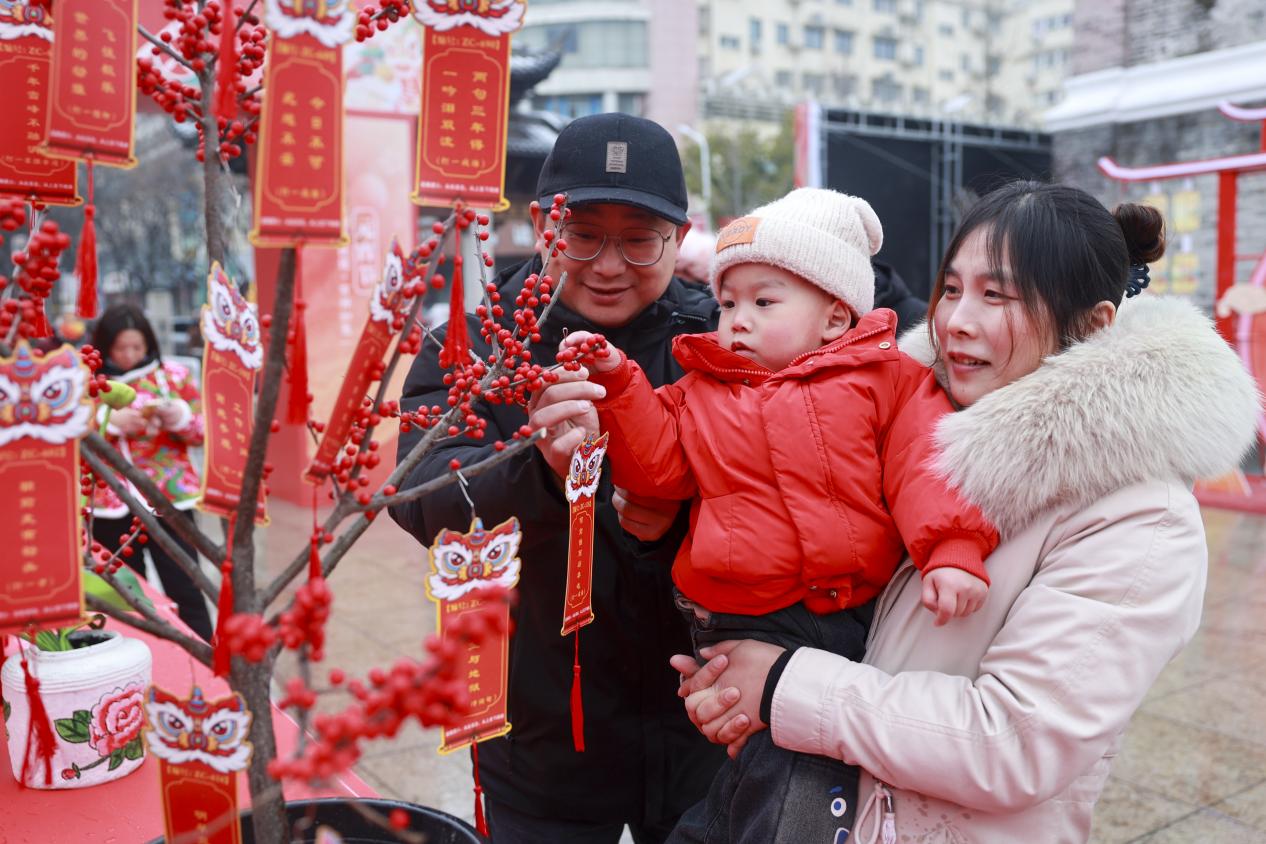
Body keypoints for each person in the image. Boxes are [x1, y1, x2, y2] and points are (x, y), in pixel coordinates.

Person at [674, 181, 1260, 843]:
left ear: (1094, 324)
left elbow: (1014, 742)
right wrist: (739, 687)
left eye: (997, 295)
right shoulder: (916, 427)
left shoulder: (1142, 519)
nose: (955, 320)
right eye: (951, 288)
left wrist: (781, 684)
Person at [562, 187, 998, 842]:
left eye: (764, 303)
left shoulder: (888, 381)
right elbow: (656, 469)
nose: (737, 320)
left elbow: (924, 468)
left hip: (844, 614)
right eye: (728, 303)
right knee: (795, 771)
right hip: (742, 613)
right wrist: (623, 387)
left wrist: (953, 549)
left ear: (834, 317)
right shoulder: (701, 390)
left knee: (769, 769)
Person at [389, 113, 726, 843]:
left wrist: (682, 512)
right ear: (545, 225)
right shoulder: (476, 345)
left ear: (679, 236)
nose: (608, 265)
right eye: (583, 235)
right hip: (539, 728)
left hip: (702, 724)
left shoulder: (719, 343)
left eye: (639, 239)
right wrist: (534, 468)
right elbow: (418, 500)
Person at [90, 303, 213, 641]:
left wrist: (180, 417)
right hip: (109, 505)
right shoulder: (87, 382)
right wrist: (108, 421)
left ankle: (205, 658)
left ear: (149, 344)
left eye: (137, 347)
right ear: (105, 346)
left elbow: (203, 431)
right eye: (120, 348)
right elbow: (65, 430)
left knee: (187, 590)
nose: (129, 355)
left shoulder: (174, 376)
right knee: (126, 598)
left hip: (168, 499)